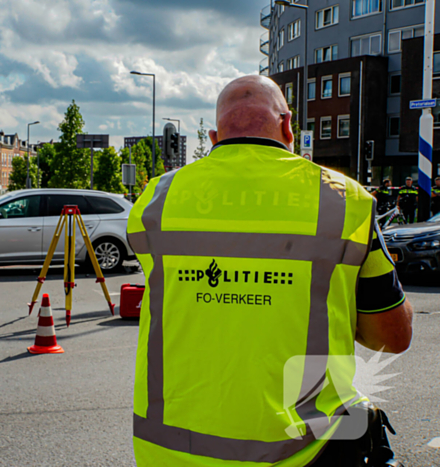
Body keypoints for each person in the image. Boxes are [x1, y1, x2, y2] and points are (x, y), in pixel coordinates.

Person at [128, 75, 412, 467]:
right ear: (288, 125)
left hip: (171, 451)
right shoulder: (345, 203)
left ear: (213, 136)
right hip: (305, 451)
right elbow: (392, 338)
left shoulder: (156, 200)